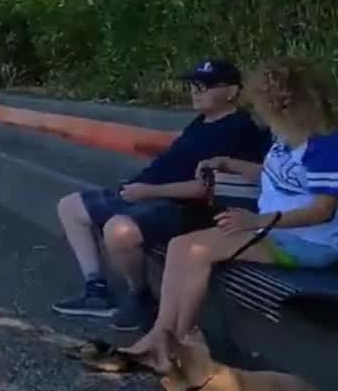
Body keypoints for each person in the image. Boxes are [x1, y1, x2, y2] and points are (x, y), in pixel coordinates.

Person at [121, 57, 338, 368]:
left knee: (195, 251)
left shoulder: (326, 146)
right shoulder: (288, 137)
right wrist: (227, 162)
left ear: (288, 105)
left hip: (310, 243)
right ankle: (161, 337)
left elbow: (323, 211)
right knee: (180, 246)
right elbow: (276, 175)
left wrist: (258, 221)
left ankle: (173, 346)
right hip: (278, 230)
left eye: (267, 105)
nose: (261, 112)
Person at [51, 59, 271, 331]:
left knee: (119, 231)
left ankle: (140, 297)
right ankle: (96, 291)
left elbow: (208, 188)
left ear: (232, 91)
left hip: (182, 206)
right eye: (193, 85)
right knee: (70, 207)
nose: (196, 91)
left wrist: (148, 191)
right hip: (146, 192)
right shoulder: (202, 122)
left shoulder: (240, 129)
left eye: (205, 85)